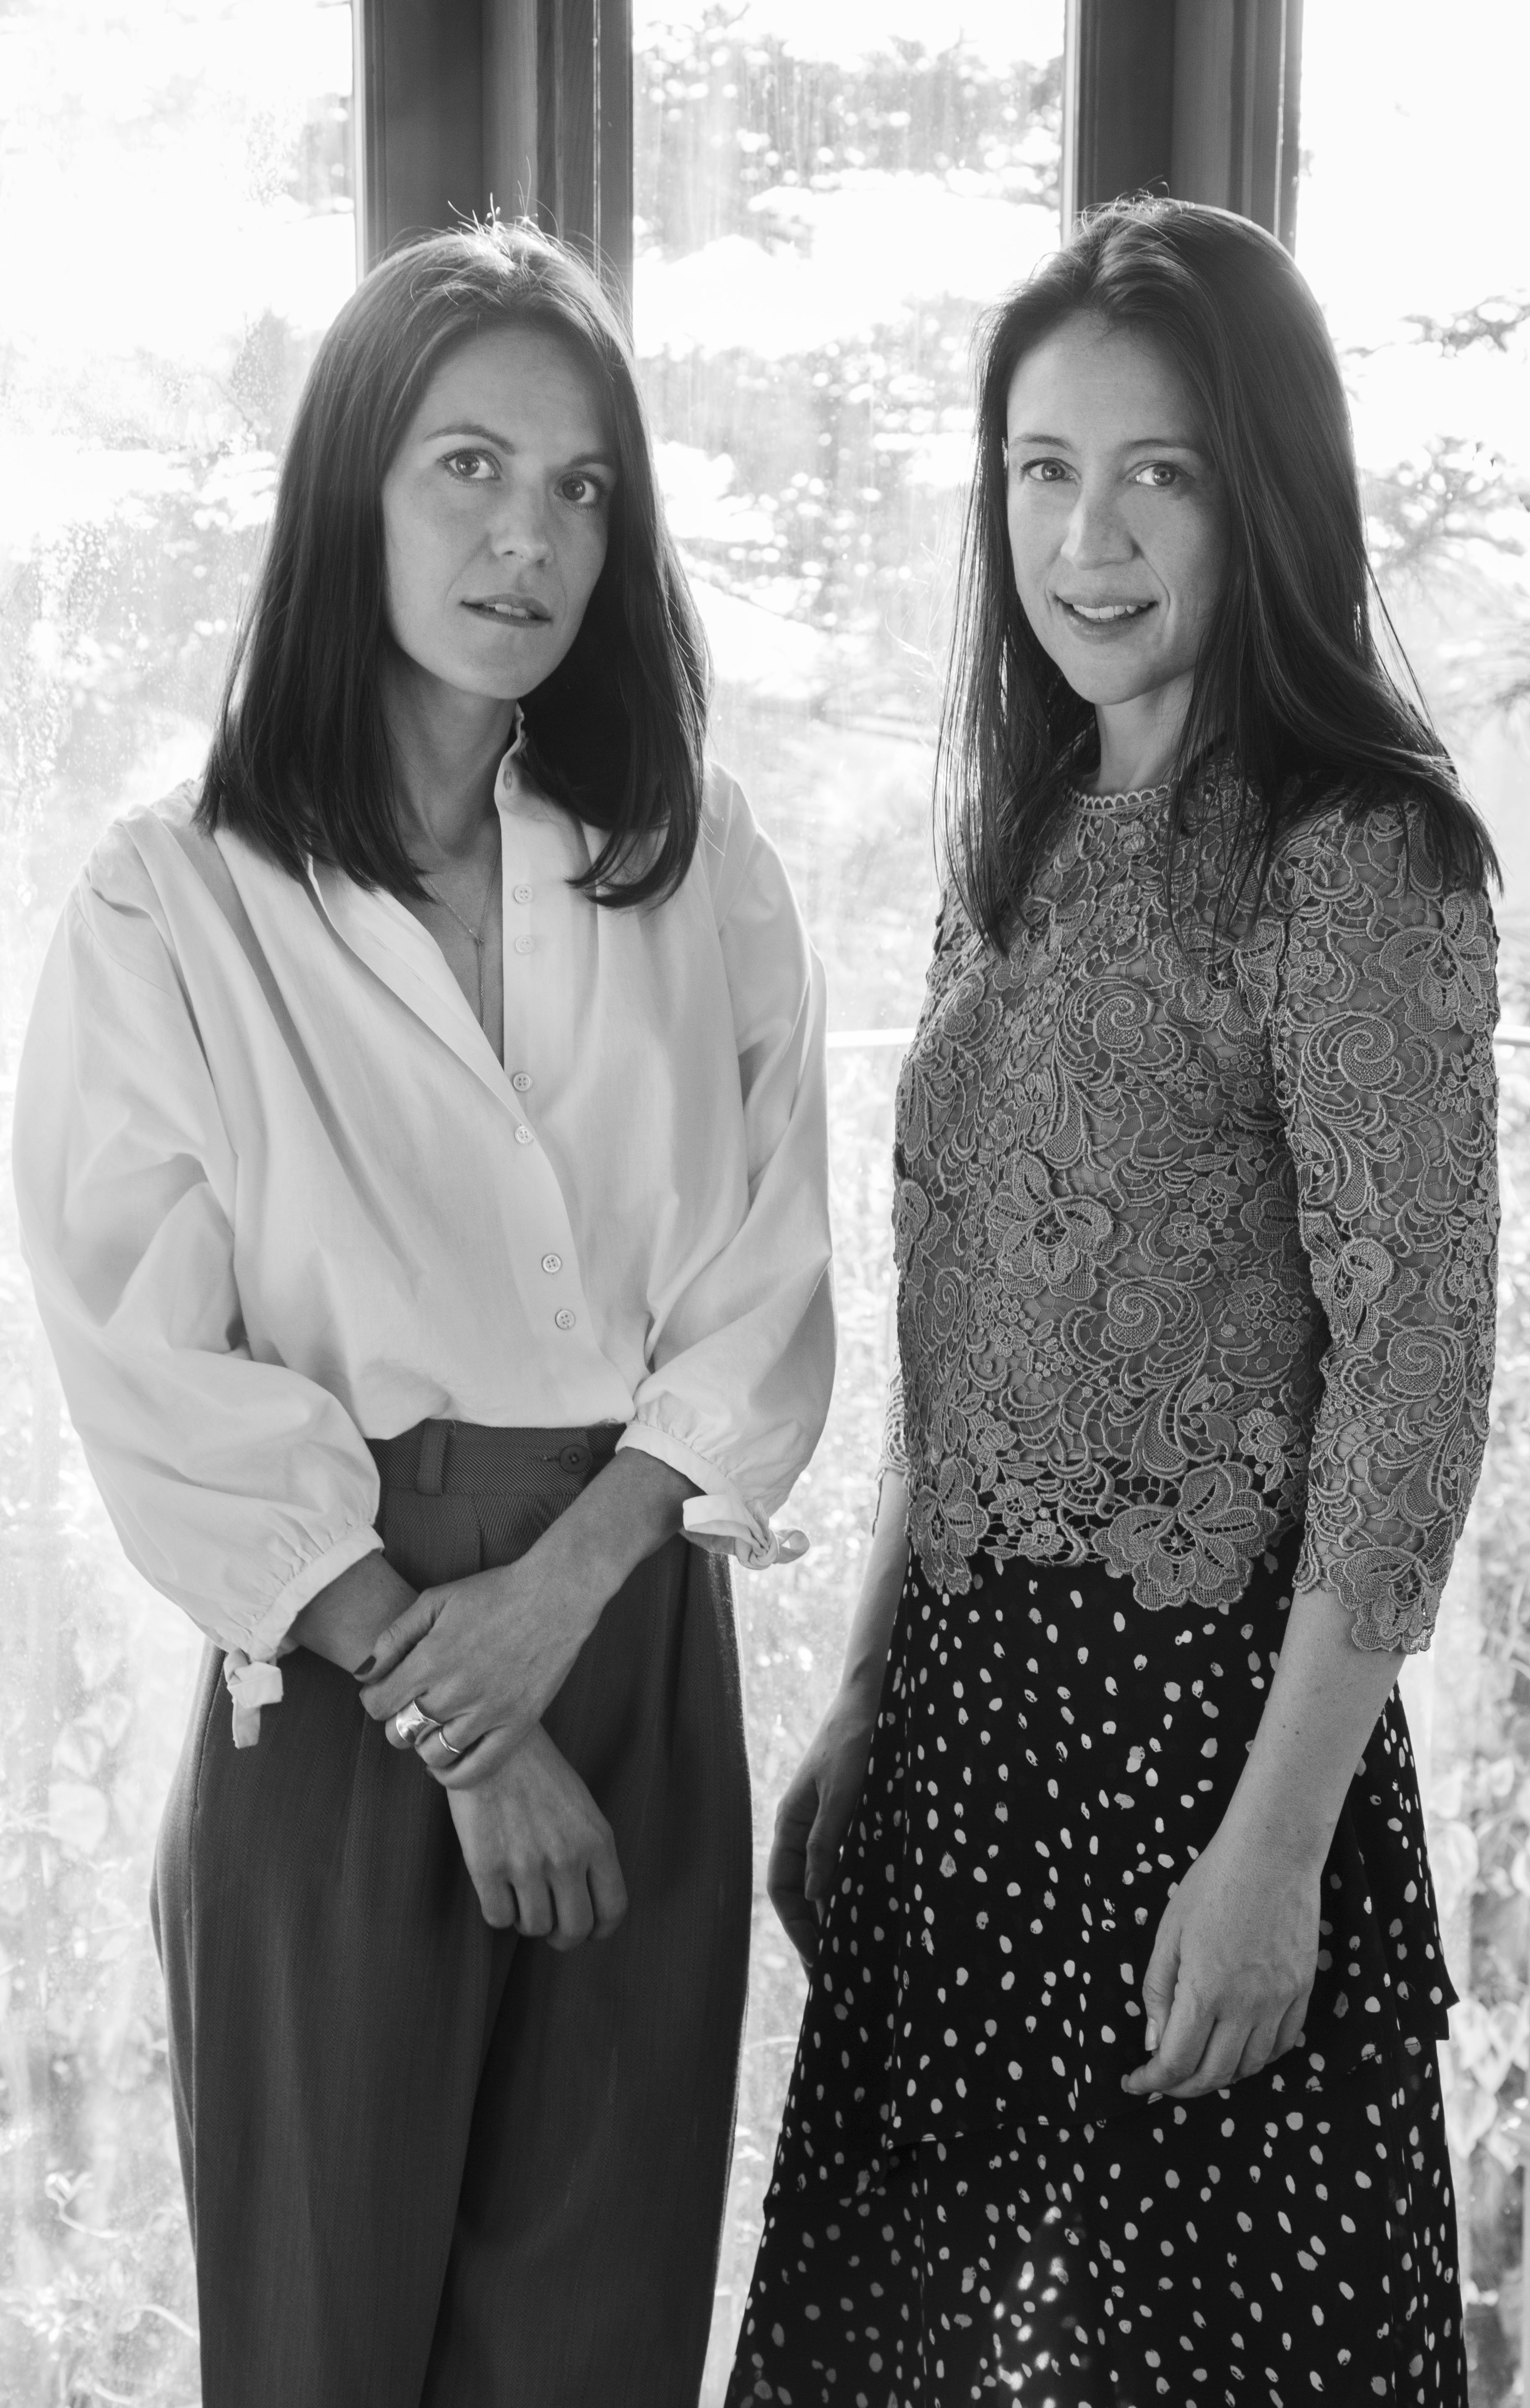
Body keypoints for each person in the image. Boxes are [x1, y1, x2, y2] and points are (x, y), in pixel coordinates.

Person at [15, 221, 834, 2408]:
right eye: (469, 467)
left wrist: (558, 1613)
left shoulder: (697, 861)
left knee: (600, 2343)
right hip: (341, 1678)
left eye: (582, 490)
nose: (530, 535)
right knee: (327, 2352)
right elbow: (149, 1366)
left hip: (634, 1640)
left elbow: (762, 1294)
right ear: (350, 492)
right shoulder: (166, 898)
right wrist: (454, 1704)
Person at [728, 196, 1496, 2408]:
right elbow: (969, 1364)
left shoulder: (1360, 856)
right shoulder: (1031, 839)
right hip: (973, 1763)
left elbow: (1417, 1382)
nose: (1089, 533)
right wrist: (874, 1705)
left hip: (1209, 1757)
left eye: (1154, 469)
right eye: (1041, 470)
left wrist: (1271, 1862)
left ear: (1261, 485)